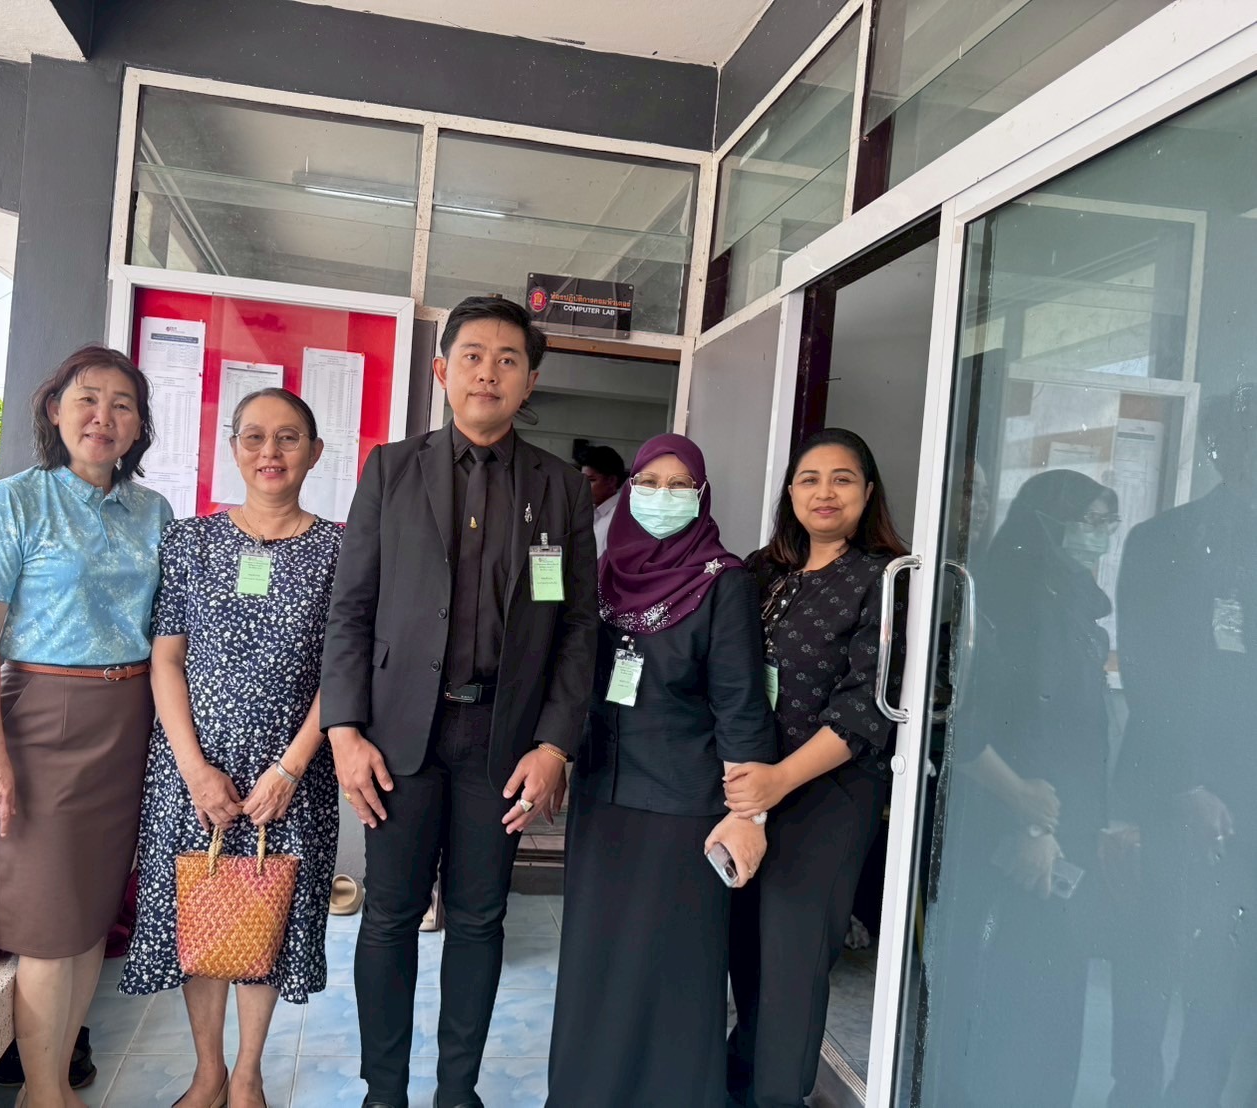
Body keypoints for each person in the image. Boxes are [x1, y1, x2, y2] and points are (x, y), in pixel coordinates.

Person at [320, 294, 598, 1108]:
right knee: (389, 917)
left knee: (479, 920)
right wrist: (343, 729)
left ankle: (457, 1092)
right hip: (397, 738)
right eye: (472, 356)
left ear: (529, 381)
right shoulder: (390, 469)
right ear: (442, 371)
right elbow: (350, 607)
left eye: (508, 360)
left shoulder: (560, 488)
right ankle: (383, 1092)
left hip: (502, 741)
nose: (488, 372)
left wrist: (554, 745)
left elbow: (577, 625)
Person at [0, 345, 172, 1108]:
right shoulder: (13, 502)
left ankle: (54, 1090)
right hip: (42, 721)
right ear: (55, 410)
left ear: (138, 425)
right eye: (86, 398)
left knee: (89, 921)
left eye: (121, 404)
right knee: (49, 926)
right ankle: (43, 1093)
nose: (102, 417)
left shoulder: (153, 512)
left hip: (129, 721)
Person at [120, 388, 341, 1108]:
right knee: (202, 911)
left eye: (288, 438)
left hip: (292, 771)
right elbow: (166, 659)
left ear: (314, 452)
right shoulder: (190, 541)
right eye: (254, 437)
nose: (270, 452)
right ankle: (208, 1071)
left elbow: (345, 670)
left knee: (267, 915)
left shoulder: (342, 550)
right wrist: (193, 770)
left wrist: (291, 767)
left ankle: (248, 1074)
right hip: (194, 767)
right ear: (233, 447)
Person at [546, 433, 774, 1108]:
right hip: (602, 797)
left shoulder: (724, 583)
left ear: (701, 496)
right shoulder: (601, 575)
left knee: (671, 969)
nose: (661, 497)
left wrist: (748, 815)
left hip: (683, 806)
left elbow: (740, 705)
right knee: (596, 961)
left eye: (679, 486)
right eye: (648, 483)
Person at [920, 469, 1118, 1106]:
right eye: (1089, 520)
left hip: (1064, 825)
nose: (1100, 534)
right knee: (1011, 994)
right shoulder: (1014, 596)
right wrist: (1033, 823)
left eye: (1107, 521)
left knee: (1051, 994)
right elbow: (995, 719)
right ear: (1048, 521)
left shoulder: (1070, 596)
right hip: (1018, 827)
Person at [723, 427, 906, 1108]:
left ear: (868, 491)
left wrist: (778, 780)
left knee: (793, 968)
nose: (824, 492)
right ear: (790, 493)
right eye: (809, 478)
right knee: (744, 952)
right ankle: (739, 1083)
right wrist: (749, 786)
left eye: (842, 479)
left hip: (825, 795)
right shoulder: (761, 572)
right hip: (747, 794)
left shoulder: (886, 579)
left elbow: (867, 706)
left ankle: (777, 1096)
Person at [1111, 386, 1257, 1107]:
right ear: (1219, 448)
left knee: (1232, 962)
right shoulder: (1164, 540)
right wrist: (1186, 784)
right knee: (1154, 947)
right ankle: (1134, 1091)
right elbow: (1147, 670)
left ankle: (1198, 1091)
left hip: (1249, 787)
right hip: (1176, 784)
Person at [578, 444, 627, 561]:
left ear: (611, 481)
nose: (583, 487)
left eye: (591, 480)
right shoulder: (586, 512)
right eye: (581, 480)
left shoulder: (622, 517)